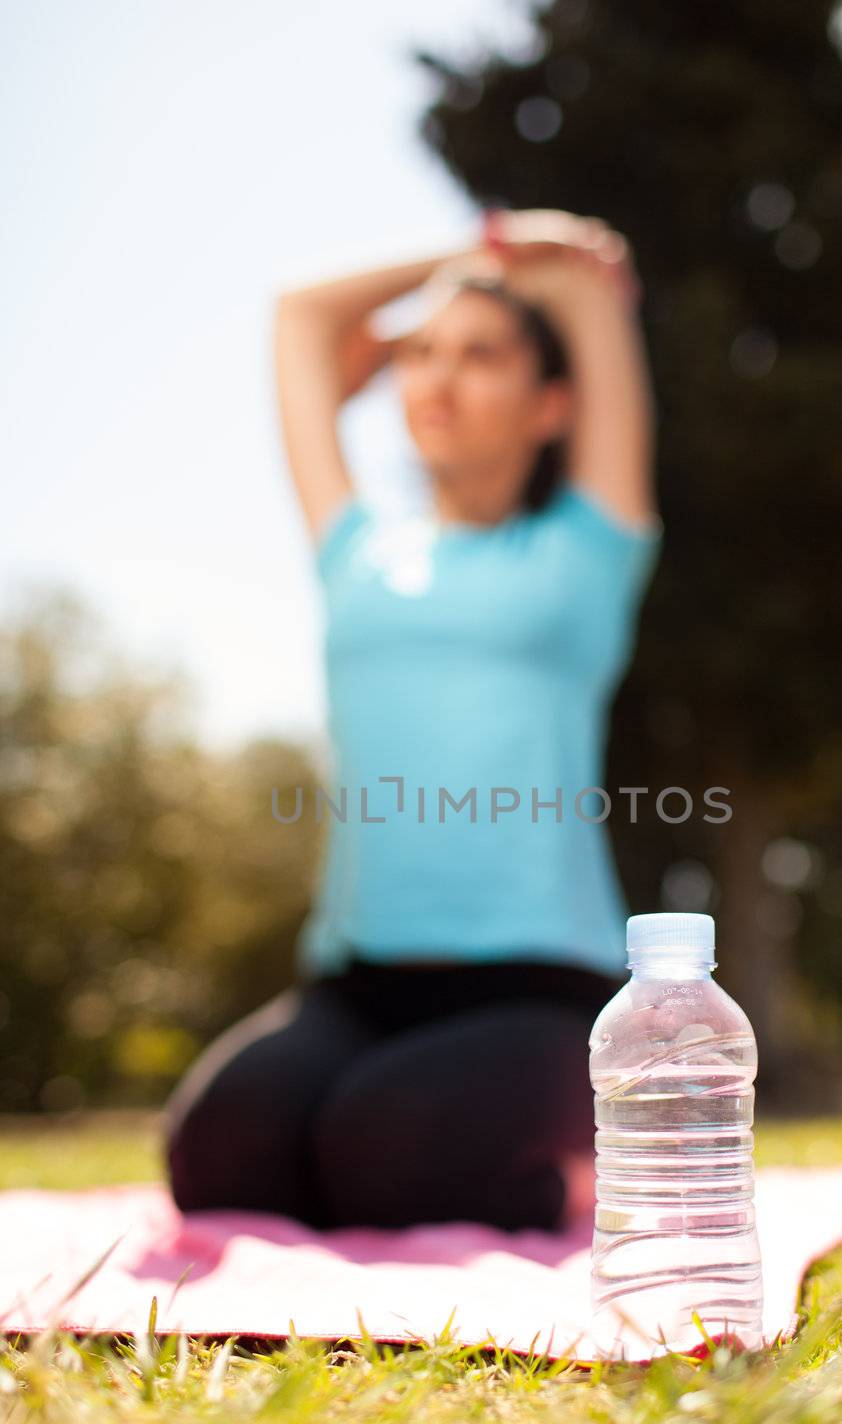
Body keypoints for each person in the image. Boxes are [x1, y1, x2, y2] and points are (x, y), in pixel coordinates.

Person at [163, 207, 663, 1235]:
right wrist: (479, 251)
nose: (438, 377)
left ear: (551, 404)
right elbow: (301, 314)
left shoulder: (586, 553)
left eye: (483, 355)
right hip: (355, 985)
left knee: (388, 1155)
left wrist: (553, 262)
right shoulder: (356, 551)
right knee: (221, 1153)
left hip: (540, 990)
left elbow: (585, 291)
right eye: (419, 354)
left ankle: (558, 1167)